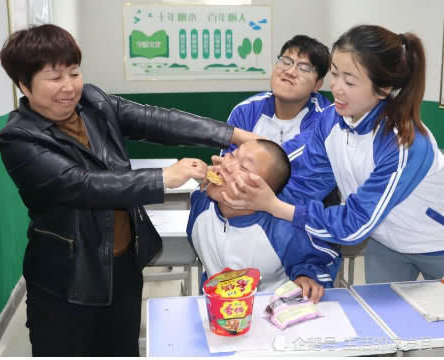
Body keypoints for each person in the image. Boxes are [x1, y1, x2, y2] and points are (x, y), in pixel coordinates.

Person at [0, 24, 256, 356]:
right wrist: (164, 177)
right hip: (68, 279)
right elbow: (82, 185)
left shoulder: (93, 102)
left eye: (73, 73)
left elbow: (156, 119)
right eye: (54, 77)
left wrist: (234, 136)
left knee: (121, 350)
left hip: (122, 267)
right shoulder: (19, 137)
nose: (69, 87)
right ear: (23, 84)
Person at [218, 25, 444, 284]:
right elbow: (296, 170)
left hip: (436, 242)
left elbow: (354, 224)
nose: (336, 88)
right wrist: (235, 175)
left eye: (349, 81)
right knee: (380, 320)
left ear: (383, 89)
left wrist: (275, 206)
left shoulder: (404, 144)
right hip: (385, 240)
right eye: (335, 74)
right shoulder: (331, 121)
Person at [187, 139, 341, 302]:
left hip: (268, 312)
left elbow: (315, 261)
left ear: (263, 191)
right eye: (231, 155)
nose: (226, 165)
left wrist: (305, 276)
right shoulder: (200, 204)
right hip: (215, 313)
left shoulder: (283, 228)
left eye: (244, 167)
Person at [222, 35, 331, 152]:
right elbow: (228, 163)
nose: (290, 72)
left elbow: (299, 163)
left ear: (317, 84)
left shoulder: (325, 118)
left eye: (303, 68)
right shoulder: (246, 111)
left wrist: (242, 138)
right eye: (286, 62)